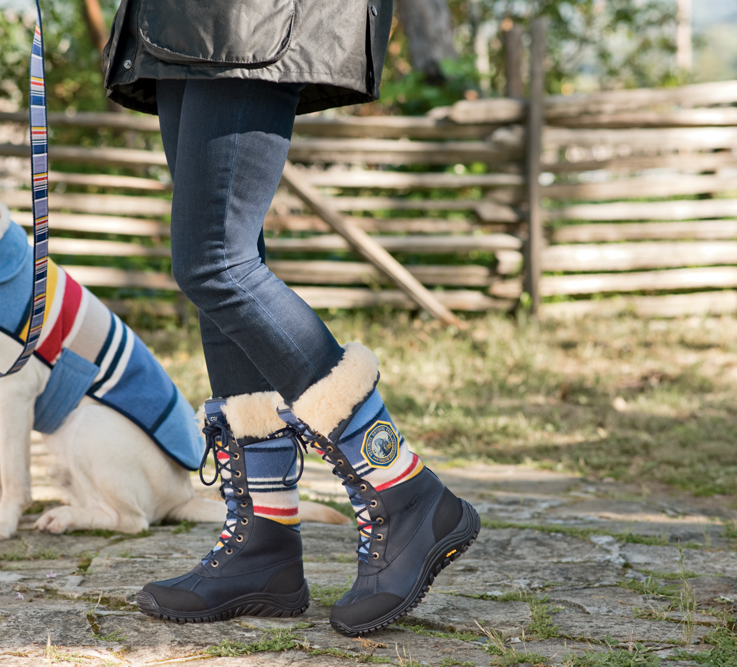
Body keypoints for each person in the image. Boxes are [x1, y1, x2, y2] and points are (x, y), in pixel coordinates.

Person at [101, 0, 480, 637]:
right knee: (225, 262)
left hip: (248, 16)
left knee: (215, 262)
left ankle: (403, 488)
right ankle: (265, 542)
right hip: (178, 19)